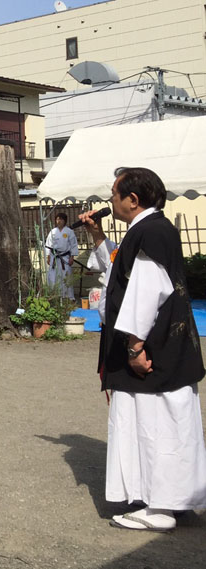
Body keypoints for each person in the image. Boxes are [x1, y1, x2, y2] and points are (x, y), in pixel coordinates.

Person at [80, 167, 206, 532]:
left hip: (152, 351)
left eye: (114, 193)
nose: (110, 200)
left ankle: (160, 505)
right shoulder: (152, 230)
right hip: (168, 347)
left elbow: (148, 292)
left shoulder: (150, 232)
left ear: (132, 200)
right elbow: (121, 277)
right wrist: (99, 237)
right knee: (167, 424)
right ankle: (174, 499)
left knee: (154, 424)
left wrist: (135, 347)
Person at [46, 212, 79, 300]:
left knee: (66, 276)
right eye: (57, 219)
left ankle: (69, 297)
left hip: (65, 258)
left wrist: (72, 257)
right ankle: (55, 296)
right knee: (53, 277)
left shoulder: (69, 232)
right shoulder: (52, 232)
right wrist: (48, 256)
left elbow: (73, 245)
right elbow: (48, 245)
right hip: (54, 257)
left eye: (61, 219)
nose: (59, 221)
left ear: (65, 221)